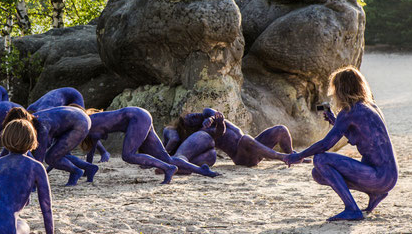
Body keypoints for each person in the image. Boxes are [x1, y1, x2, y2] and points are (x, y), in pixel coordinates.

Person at [284, 66, 398, 221]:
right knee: (318, 174)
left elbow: (325, 144)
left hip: (378, 176)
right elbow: (358, 138)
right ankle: (375, 193)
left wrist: (299, 156)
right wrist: (335, 121)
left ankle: (352, 209)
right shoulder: (372, 106)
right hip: (389, 176)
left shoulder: (349, 111)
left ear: (341, 89)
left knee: (320, 160)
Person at [164, 108, 292, 167]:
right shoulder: (203, 134)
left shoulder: (206, 113)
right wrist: (218, 123)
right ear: (192, 126)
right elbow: (220, 131)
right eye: (191, 119)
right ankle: (282, 157)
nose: (194, 115)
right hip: (242, 157)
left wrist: (213, 118)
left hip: (253, 146)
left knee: (280, 129)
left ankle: (292, 155)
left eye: (190, 114)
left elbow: (217, 115)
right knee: (245, 139)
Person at [5, 106, 98, 186]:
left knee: (51, 157)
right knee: (59, 153)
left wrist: (33, 182)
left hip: (80, 123)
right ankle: (88, 167)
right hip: (76, 116)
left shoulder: (41, 127)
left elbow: (38, 159)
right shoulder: (35, 121)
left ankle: (76, 171)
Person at [84, 107, 178, 184]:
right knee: (164, 157)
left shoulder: (89, 123)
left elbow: (92, 147)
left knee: (128, 155)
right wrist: (87, 172)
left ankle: (168, 168)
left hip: (137, 117)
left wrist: (87, 172)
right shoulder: (92, 120)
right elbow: (91, 151)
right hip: (141, 114)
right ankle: (190, 169)